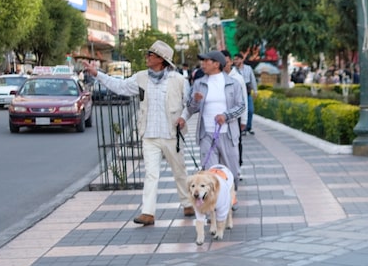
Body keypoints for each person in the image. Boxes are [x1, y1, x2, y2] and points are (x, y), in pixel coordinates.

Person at [83, 41, 193, 226]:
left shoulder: (179, 80)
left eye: (151, 55)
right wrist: (97, 75)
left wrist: (183, 118)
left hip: (171, 135)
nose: (147, 57)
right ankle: (148, 213)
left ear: (161, 60)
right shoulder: (141, 78)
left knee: (179, 170)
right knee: (151, 174)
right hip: (149, 134)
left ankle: (187, 203)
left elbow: (188, 105)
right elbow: (121, 87)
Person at [180, 50, 245, 190]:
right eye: (202, 61)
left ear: (216, 64)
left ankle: (231, 197)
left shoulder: (233, 83)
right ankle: (215, 203)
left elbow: (241, 107)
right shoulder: (198, 84)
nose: (202, 64)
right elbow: (191, 108)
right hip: (206, 134)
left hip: (228, 134)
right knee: (210, 174)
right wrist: (195, 101)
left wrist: (225, 116)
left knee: (231, 171)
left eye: (206, 61)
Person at [233, 53, 258, 134]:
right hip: (238, 93)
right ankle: (242, 128)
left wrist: (255, 90)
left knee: (250, 110)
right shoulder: (233, 70)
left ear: (241, 59)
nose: (235, 61)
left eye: (237, 59)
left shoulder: (248, 68)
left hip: (247, 92)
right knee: (241, 111)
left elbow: (252, 79)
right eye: (234, 59)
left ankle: (248, 127)